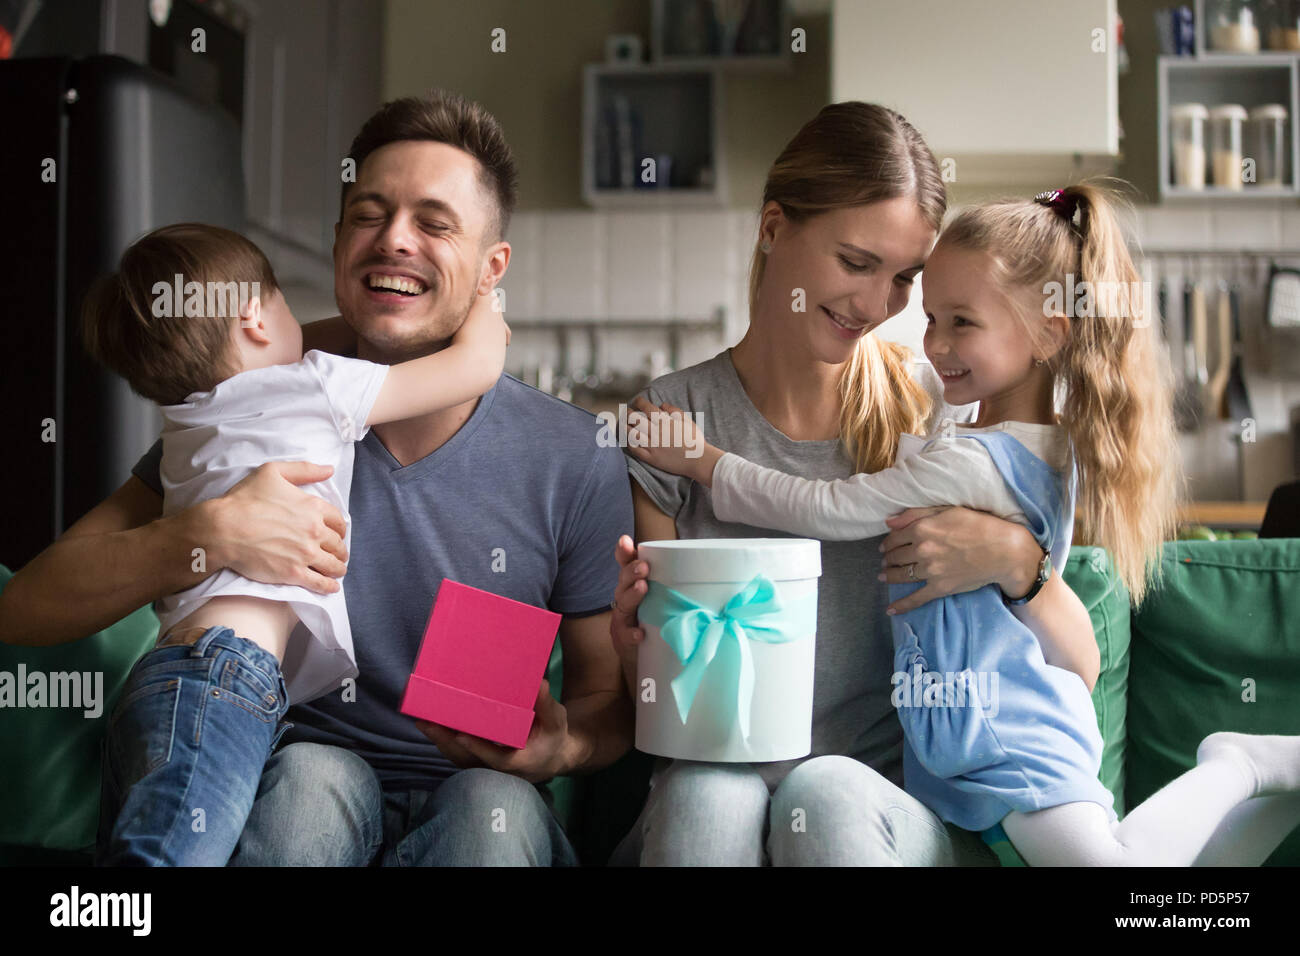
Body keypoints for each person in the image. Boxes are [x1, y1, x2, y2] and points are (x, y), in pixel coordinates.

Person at [0, 90, 634, 866]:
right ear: (338, 244)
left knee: (489, 808)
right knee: (311, 780)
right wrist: (208, 533)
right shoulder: (252, 415)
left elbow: (606, 699)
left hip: (483, 792)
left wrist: (563, 747)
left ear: (489, 269)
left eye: (434, 223)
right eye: (369, 214)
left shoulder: (574, 455)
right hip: (300, 776)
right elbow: (25, 606)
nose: (393, 239)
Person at [626, 182, 1300, 866]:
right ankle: (1262, 785)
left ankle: (1239, 767)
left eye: (961, 322)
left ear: (1049, 332)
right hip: (968, 748)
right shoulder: (1033, 445)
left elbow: (822, 506)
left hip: (1012, 739)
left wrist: (704, 461)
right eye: (930, 317)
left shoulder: (972, 461)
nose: (935, 343)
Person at [607, 101, 1101, 866]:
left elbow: (1078, 667)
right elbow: (659, 701)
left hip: (880, 807)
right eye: (856, 262)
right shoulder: (673, 422)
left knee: (827, 792)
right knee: (708, 793)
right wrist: (632, 649)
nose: (877, 306)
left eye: (904, 278)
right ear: (774, 228)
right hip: (710, 780)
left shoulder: (932, 409)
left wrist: (1018, 562)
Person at [79, 222, 507, 865]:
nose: (301, 327)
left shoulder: (189, 419)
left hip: (166, 674)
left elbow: (309, 338)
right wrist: (481, 302)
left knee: (143, 849)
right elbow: (474, 367)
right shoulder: (312, 386)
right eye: (281, 301)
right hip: (225, 673)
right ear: (255, 318)